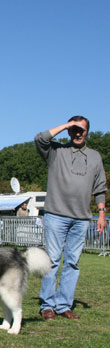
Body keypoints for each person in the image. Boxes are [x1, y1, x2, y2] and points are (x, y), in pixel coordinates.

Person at [35, 116, 106, 321]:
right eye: (74, 129)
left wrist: (101, 213)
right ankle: (47, 305)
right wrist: (66, 125)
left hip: (81, 218)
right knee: (53, 260)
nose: (77, 133)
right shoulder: (56, 152)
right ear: (68, 131)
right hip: (56, 215)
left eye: (81, 130)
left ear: (87, 132)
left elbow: (100, 188)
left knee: (73, 263)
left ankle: (64, 305)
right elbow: (40, 138)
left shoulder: (94, 157)